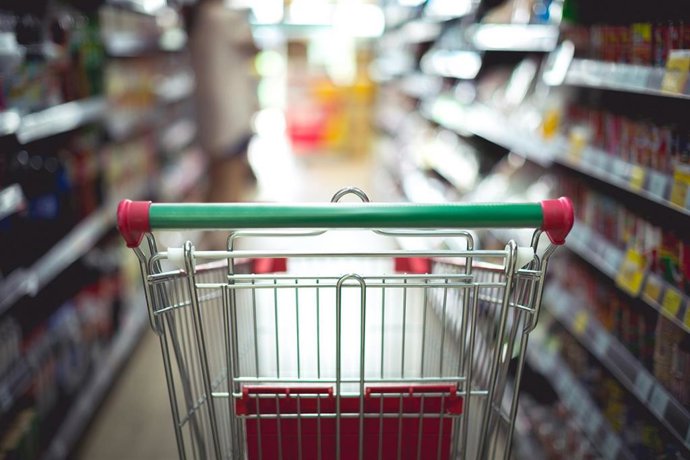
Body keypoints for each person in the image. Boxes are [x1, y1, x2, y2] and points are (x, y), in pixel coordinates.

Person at [184, 0, 258, 203]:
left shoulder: (201, 18)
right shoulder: (222, 18)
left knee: (216, 174)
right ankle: (225, 231)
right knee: (231, 176)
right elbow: (254, 46)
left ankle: (213, 229)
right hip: (230, 110)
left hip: (211, 111)